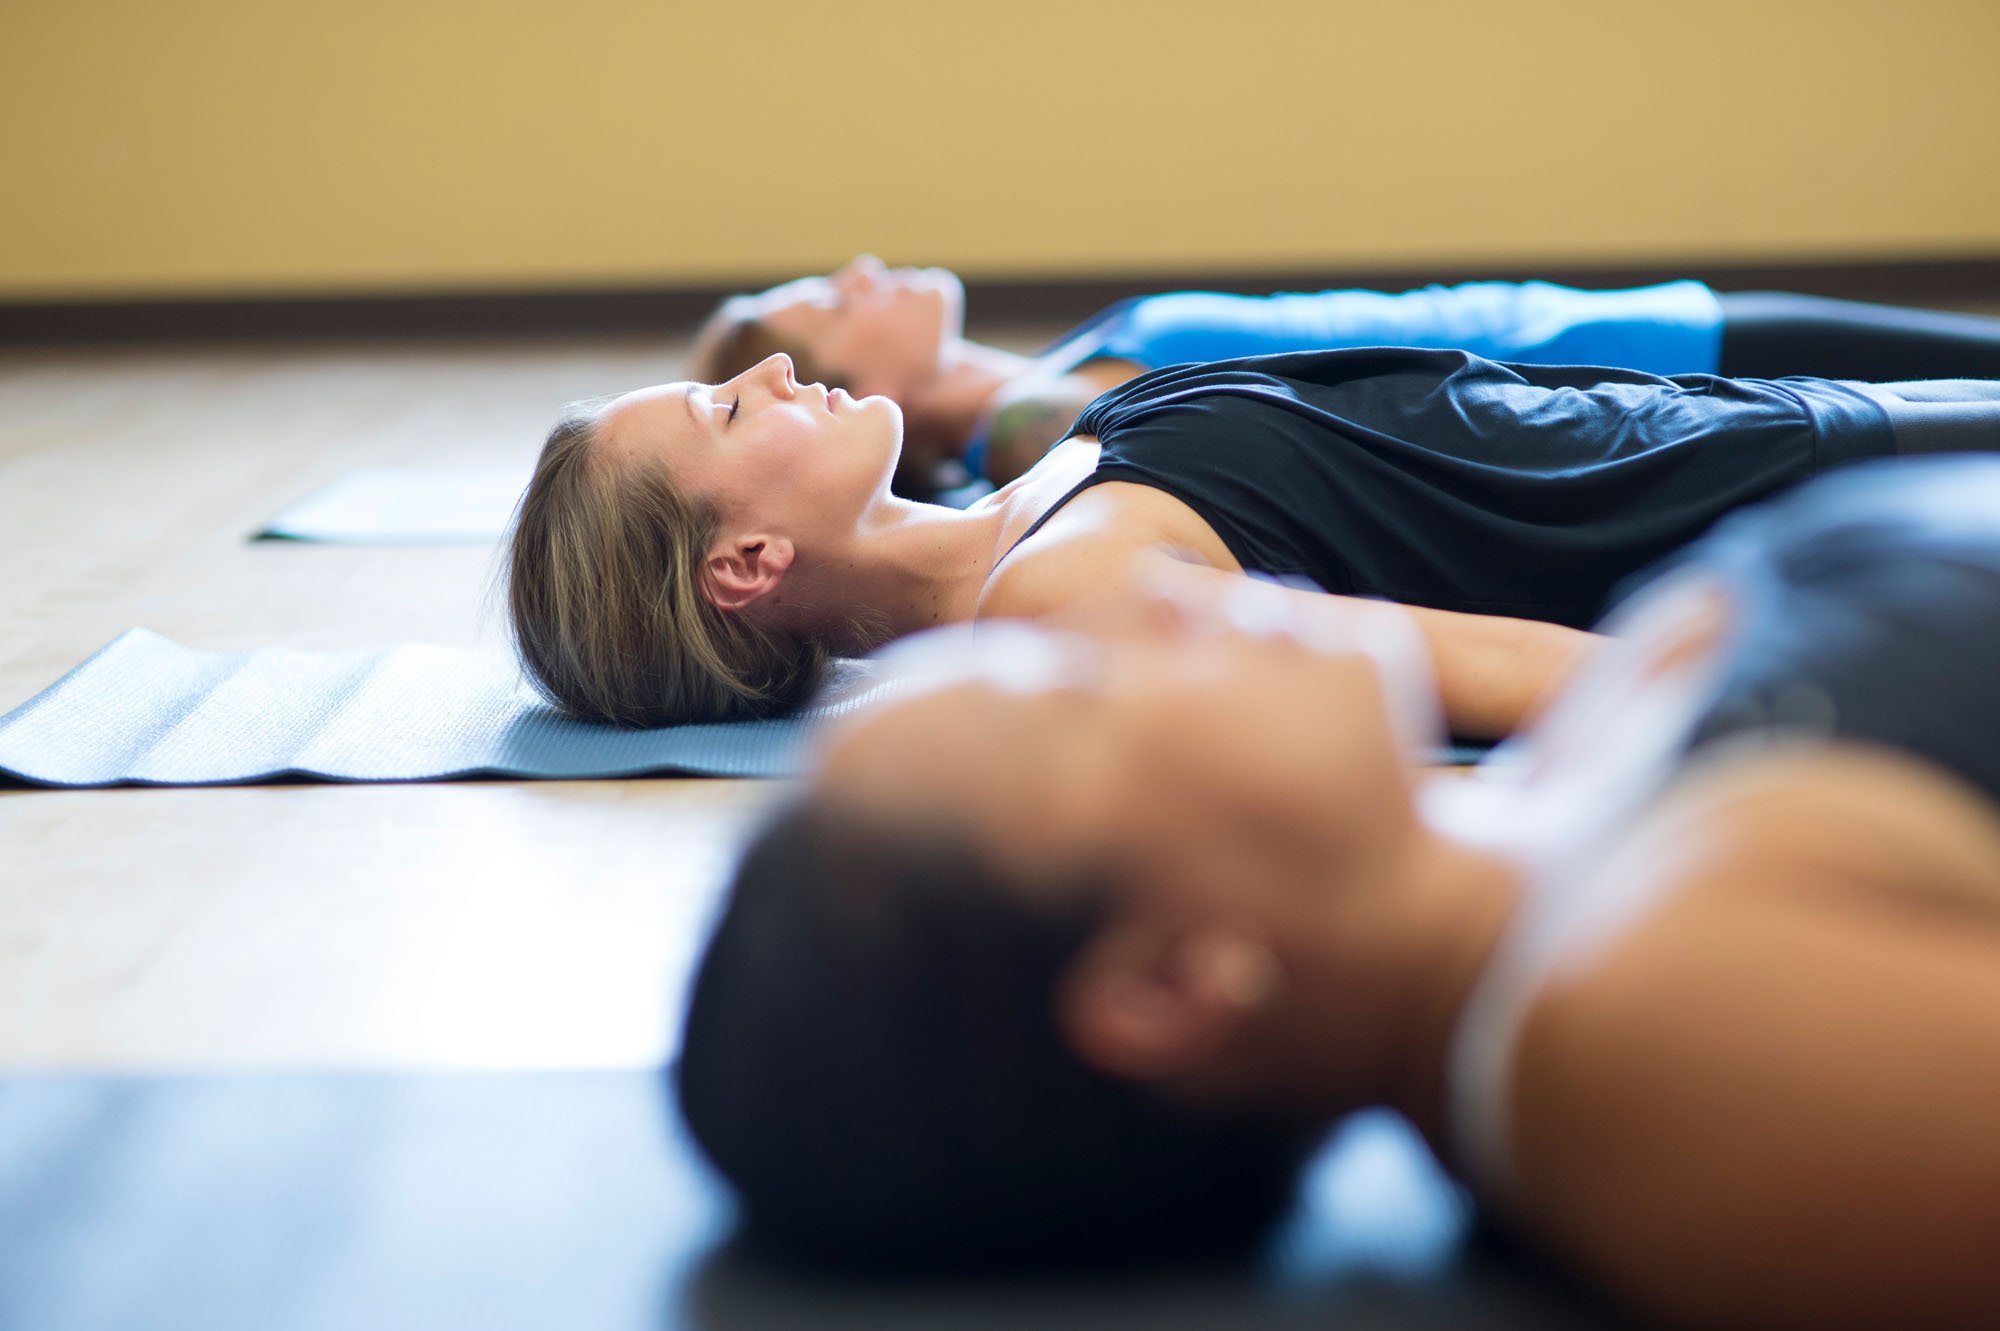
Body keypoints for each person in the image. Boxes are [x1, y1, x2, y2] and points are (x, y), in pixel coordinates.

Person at [677, 455, 2000, 1326]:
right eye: (1074, 692)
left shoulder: (1556, 814)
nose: (1139, 604)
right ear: (1173, 980)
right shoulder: (1650, 1036)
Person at [506, 341, 2000, 729]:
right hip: (1814, 508)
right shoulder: (1061, 600)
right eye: (727, 410)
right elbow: (1500, 670)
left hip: (1763, 428)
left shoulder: (1026, 507)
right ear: (745, 566)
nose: (772, 370)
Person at [688, 256, 2000, 490]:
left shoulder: (1065, 364)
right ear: (840, 384)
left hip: (1651, 333)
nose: (862, 270)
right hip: (1652, 376)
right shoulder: (1036, 425)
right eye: (827, 303)